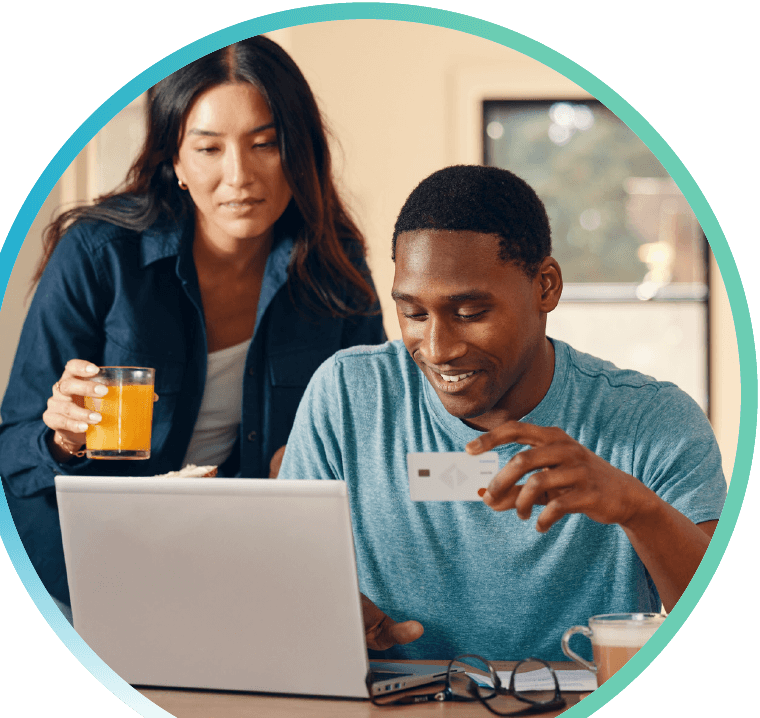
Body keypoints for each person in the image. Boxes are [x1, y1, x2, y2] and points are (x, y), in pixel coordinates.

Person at [0, 35, 385, 616]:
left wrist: (314, 462)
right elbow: (9, 451)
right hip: (85, 562)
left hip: (242, 559)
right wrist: (62, 438)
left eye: (266, 144)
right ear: (174, 160)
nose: (239, 176)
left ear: (300, 151)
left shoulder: (335, 265)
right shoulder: (101, 255)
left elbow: (377, 436)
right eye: (208, 149)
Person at [277, 164, 726, 661]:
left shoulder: (651, 420)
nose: (438, 348)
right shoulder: (348, 395)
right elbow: (283, 581)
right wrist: (319, 614)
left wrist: (639, 510)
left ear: (546, 287)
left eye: (470, 313)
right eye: (414, 313)